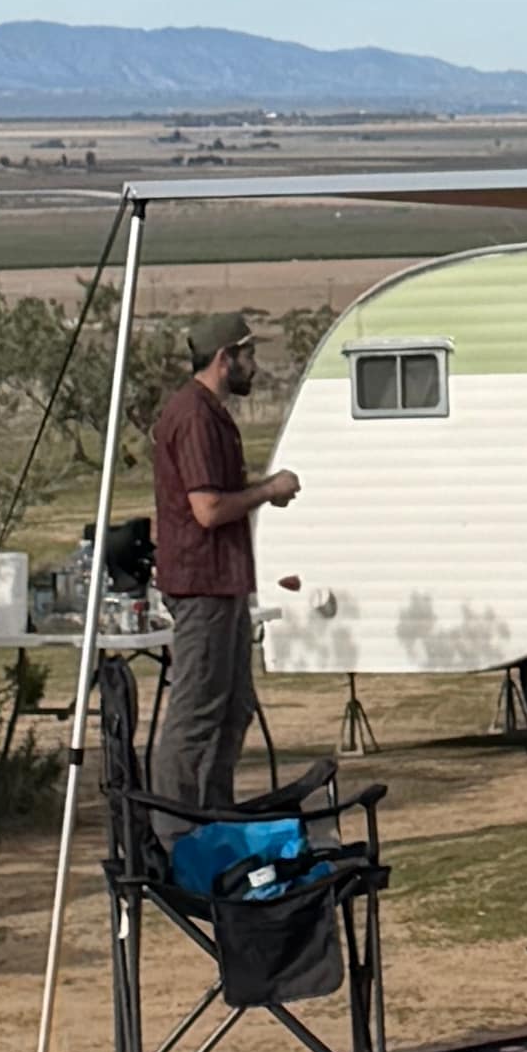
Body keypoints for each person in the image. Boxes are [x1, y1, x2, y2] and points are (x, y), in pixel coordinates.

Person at [146, 314, 298, 819]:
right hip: (202, 585)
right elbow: (208, 509)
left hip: (223, 583)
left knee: (232, 709)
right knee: (196, 714)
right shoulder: (193, 416)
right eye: (248, 355)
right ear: (223, 358)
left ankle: (216, 818)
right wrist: (268, 490)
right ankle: (176, 831)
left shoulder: (209, 414)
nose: (253, 366)